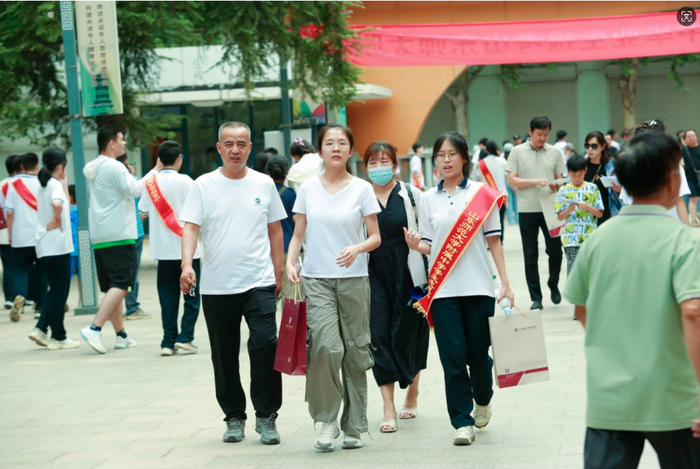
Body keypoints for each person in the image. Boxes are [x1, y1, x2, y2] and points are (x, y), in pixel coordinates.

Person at [564, 132, 700, 469]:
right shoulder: (685, 242)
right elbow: (693, 312)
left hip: (610, 398)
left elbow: (581, 309)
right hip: (675, 399)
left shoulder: (598, 241)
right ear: (672, 181)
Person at [404, 131, 514, 446]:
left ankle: (482, 398)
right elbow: (429, 245)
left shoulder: (483, 194)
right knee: (452, 357)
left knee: (479, 355)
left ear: (464, 157)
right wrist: (416, 245)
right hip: (443, 291)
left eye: (452, 154)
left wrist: (505, 283)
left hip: (479, 286)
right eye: (440, 155)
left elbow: (494, 240)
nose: (446, 160)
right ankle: (461, 422)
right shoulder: (427, 199)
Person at [179, 122, 286, 446]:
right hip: (217, 285)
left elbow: (276, 230)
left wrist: (278, 271)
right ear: (219, 147)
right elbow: (190, 228)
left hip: (259, 281)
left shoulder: (264, 183)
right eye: (229, 144)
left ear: (250, 147)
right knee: (224, 354)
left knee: (266, 344)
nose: (235, 149)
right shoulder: (203, 185)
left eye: (241, 143)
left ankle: (267, 416)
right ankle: (234, 416)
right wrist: (187, 265)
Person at [286, 123, 381, 452]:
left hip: (354, 279)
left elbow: (375, 236)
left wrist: (357, 248)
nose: (336, 148)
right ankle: (327, 420)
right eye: (330, 143)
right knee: (327, 348)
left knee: (355, 352)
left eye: (342, 143)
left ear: (351, 151)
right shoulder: (308, 190)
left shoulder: (362, 189)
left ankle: (354, 425)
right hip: (316, 278)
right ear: (320, 150)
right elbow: (298, 234)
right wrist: (289, 262)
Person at [362, 141, 429, 434]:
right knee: (378, 336)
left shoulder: (412, 195)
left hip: (409, 273)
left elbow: (430, 235)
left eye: (384, 161)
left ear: (395, 165)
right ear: (365, 168)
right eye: (373, 163)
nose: (379, 168)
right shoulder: (359, 196)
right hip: (373, 275)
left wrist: (419, 243)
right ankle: (388, 406)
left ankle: (412, 391)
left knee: (409, 334)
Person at [79, 126, 160, 354]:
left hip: (103, 235)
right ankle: (95, 328)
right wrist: (155, 171)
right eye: (122, 139)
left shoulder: (97, 167)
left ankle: (121, 335)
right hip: (118, 234)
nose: (124, 143)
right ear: (111, 143)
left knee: (114, 286)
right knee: (123, 284)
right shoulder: (114, 166)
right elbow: (135, 190)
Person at [139, 141, 201, 357]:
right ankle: (185, 337)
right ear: (179, 158)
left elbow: (143, 213)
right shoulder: (188, 182)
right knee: (191, 295)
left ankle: (168, 342)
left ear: (159, 159)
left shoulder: (151, 184)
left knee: (167, 298)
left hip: (163, 253)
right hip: (189, 254)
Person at [506, 116, 565, 311]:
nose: (542, 138)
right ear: (530, 132)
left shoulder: (555, 152)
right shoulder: (517, 152)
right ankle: (536, 297)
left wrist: (557, 186)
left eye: (546, 134)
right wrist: (534, 181)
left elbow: (559, 178)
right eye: (539, 134)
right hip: (527, 209)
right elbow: (512, 180)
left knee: (555, 251)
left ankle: (553, 284)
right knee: (530, 255)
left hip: (551, 210)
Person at [28, 148, 80, 350]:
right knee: (59, 292)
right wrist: (57, 220)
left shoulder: (44, 185)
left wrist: (65, 185)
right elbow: (59, 205)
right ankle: (49, 332)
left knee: (55, 291)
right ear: (60, 165)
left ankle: (51, 333)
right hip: (58, 246)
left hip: (44, 246)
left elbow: (62, 203)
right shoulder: (54, 185)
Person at [553, 155, 604, 320]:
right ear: (568, 172)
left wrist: (587, 207)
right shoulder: (563, 190)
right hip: (571, 239)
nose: (576, 178)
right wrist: (569, 209)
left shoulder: (592, 189)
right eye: (573, 175)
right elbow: (559, 217)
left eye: (580, 175)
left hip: (590, 238)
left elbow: (600, 213)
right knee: (574, 272)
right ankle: (578, 308)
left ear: (585, 171)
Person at [620, 119, 691, 224]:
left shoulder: (630, 165)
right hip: (668, 226)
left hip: (639, 226)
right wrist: (687, 231)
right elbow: (679, 202)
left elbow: (627, 202)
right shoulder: (673, 165)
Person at [5, 152, 48, 322]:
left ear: (21, 166)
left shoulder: (13, 185)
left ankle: (19, 296)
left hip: (20, 237)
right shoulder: (43, 183)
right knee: (41, 270)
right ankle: (40, 307)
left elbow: (9, 213)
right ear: (37, 166)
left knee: (20, 270)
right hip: (41, 237)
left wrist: (10, 235)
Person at [265, 154, 301, 314]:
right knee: (290, 292)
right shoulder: (290, 194)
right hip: (290, 248)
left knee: (268, 292)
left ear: (268, 172)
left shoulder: (265, 191)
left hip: (268, 249)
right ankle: (288, 333)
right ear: (286, 171)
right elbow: (298, 221)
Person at [116, 153, 150, 320]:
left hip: (115, 233)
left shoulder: (109, 182)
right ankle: (132, 307)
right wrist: (133, 174)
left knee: (117, 272)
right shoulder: (133, 181)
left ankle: (114, 307)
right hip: (134, 232)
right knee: (132, 272)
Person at [474, 140, 508, 242]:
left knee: (488, 221)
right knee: (500, 219)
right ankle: (500, 241)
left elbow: (478, 179)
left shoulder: (481, 164)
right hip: (501, 195)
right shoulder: (503, 161)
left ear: (486, 150)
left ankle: (489, 241)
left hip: (487, 197)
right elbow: (507, 177)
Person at [582, 131, 614, 224]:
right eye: (587, 146)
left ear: (602, 146)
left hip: (606, 214)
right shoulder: (582, 165)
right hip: (585, 215)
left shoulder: (610, 166)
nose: (590, 149)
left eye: (594, 146)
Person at [0, 155, 18, 310]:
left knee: (8, 266)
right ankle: (28, 296)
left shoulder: (1, 185)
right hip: (21, 231)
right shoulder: (22, 184)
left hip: (3, 232)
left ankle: (10, 297)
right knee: (27, 265)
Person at [681, 129, 700, 226]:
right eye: (689, 136)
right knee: (693, 199)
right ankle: (694, 220)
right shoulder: (683, 150)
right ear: (685, 139)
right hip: (691, 178)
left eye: (693, 135)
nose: (692, 138)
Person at [502, 143, 519, 225]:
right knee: (515, 201)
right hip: (513, 181)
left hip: (506, 183)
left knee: (509, 202)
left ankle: (511, 220)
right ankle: (517, 219)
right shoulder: (513, 159)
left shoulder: (503, 159)